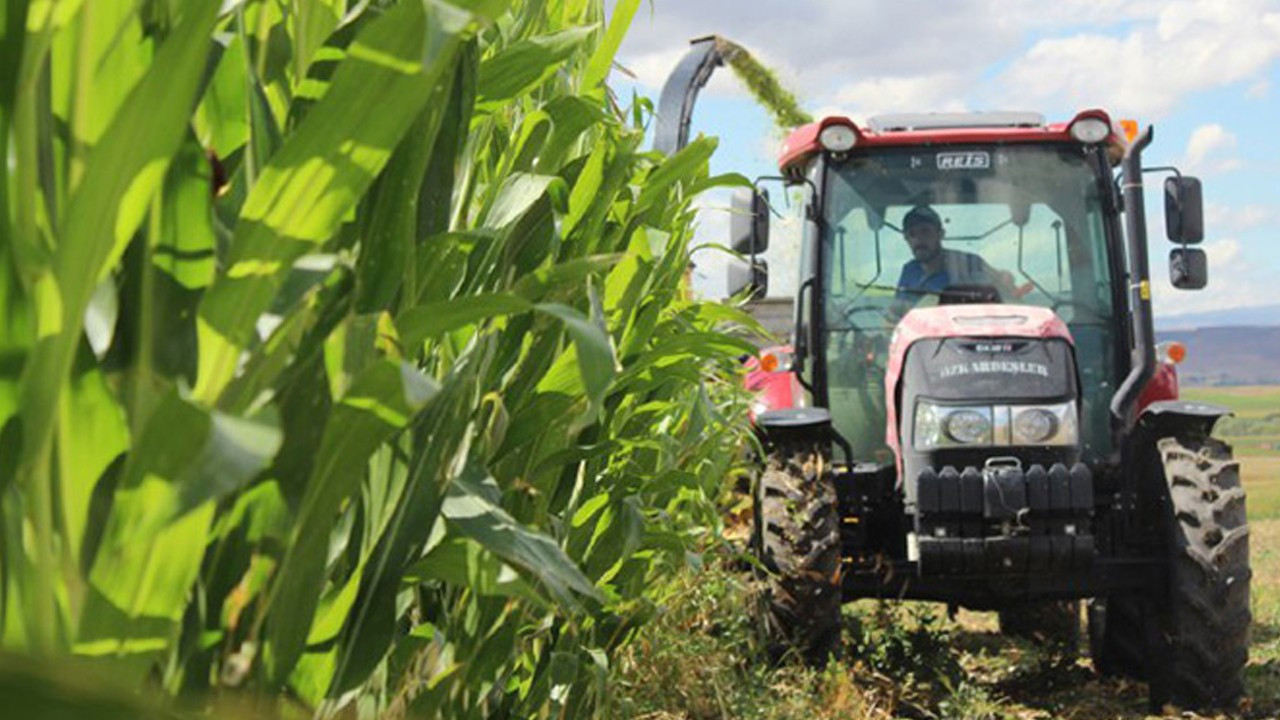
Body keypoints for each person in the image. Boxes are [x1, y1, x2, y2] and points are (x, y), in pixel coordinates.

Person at [893, 205, 1016, 303]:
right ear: (906, 239)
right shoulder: (909, 271)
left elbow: (1006, 290)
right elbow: (894, 316)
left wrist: (1005, 279)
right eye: (912, 234)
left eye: (925, 232)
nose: (918, 240)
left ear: (941, 234)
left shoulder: (970, 263)